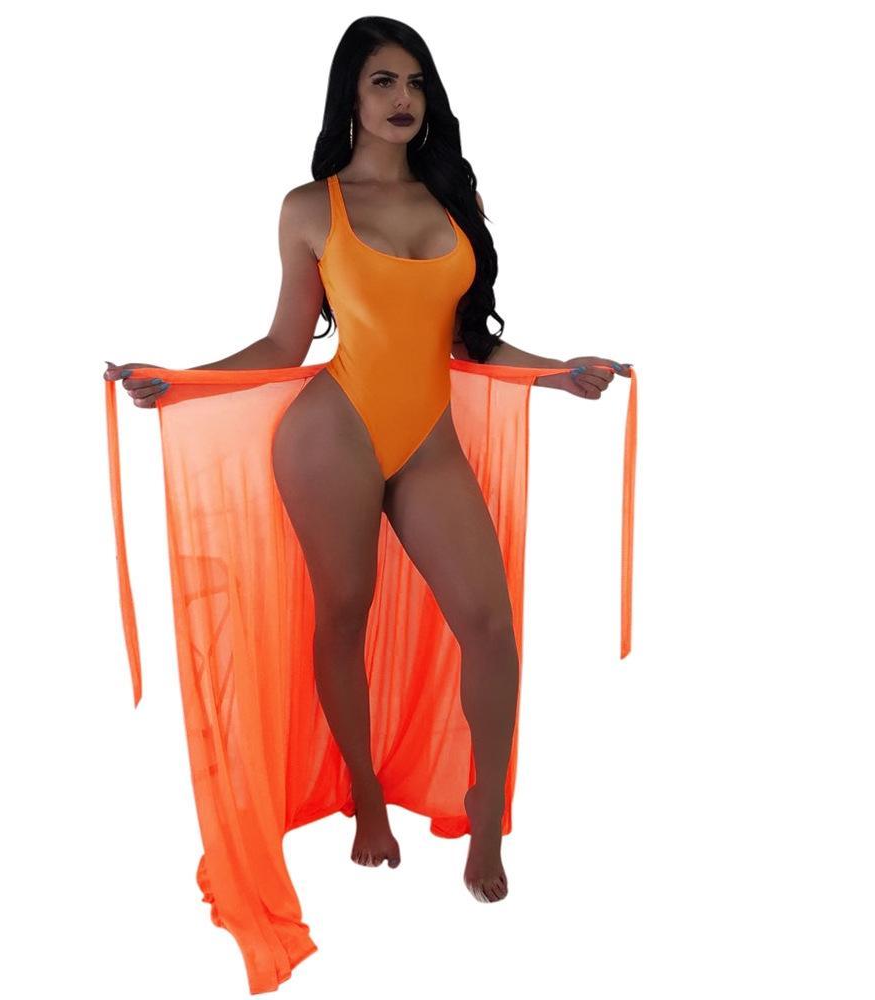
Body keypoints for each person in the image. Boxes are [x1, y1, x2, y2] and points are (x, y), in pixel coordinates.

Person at [106, 18, 631, 909]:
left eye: (416, 83)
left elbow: (468, 341)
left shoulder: (451, 199)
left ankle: (486, 812)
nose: (403, 98)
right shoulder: (311, 208)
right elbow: (283, 342)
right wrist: (182, 381)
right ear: (350, 92)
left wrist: (556, 374)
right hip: (333, 434)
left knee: (490, 626)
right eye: (384, 80)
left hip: (426, 440)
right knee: (343, 617)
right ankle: (368, 794)